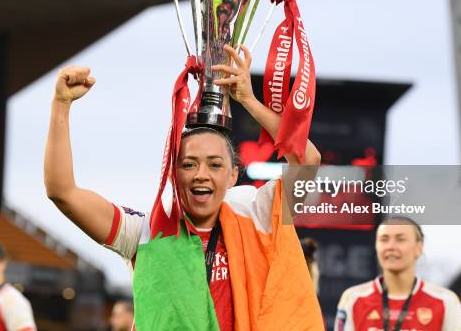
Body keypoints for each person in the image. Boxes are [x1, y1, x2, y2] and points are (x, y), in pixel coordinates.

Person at [44, 45, 324, 330]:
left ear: (233, 175)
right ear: (173, 173)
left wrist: (249, 101)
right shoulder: (146, 232)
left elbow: (307, 160)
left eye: (215, 165)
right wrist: (61, 104)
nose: (201, 174)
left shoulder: (258, 214)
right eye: (189, 164)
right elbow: (63, 192)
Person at [334, 217, 461, 331]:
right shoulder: (353, 298)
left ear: (419, 248)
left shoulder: (445, 301)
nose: (391, 246)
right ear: (376, 246)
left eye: (400, 239)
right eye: (384, 239)